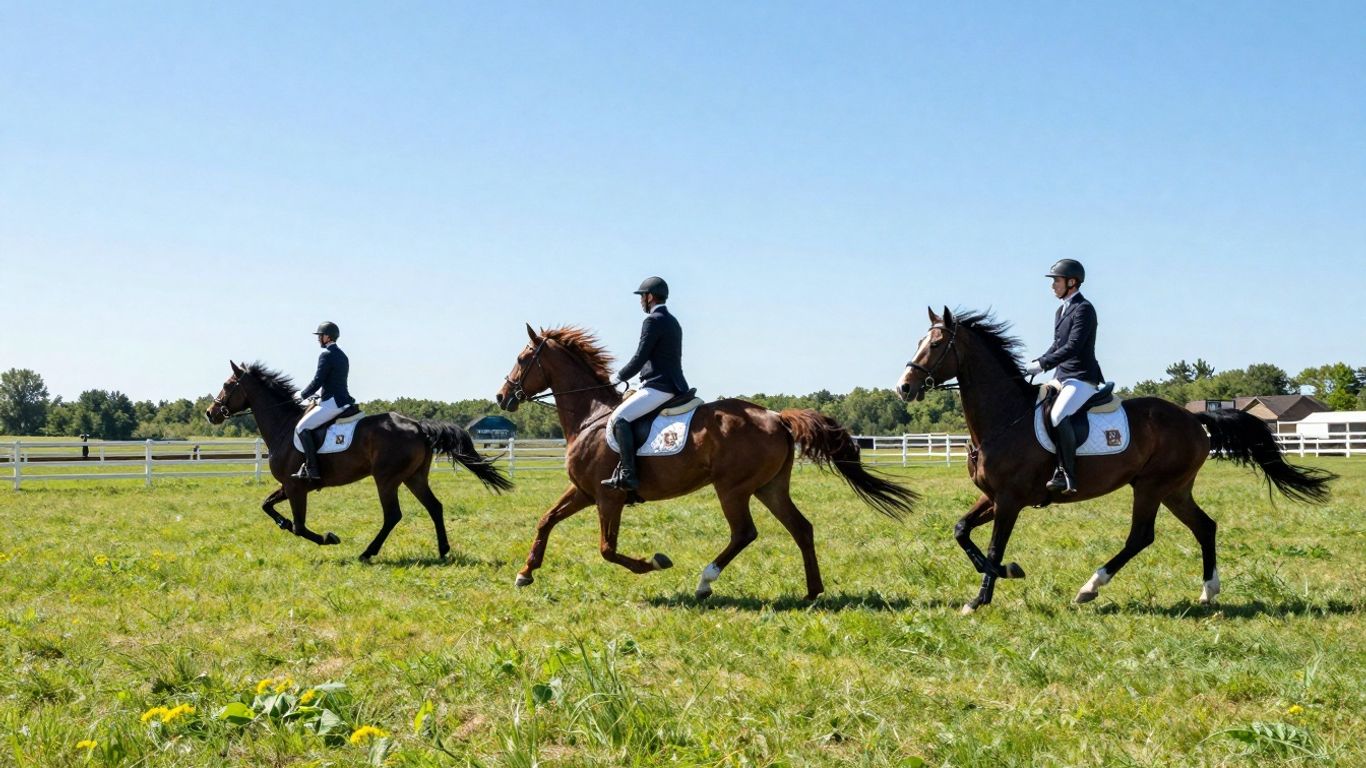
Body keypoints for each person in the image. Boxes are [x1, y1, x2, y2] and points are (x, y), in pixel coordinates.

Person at [603, 277, 689, 492]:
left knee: (620, 418)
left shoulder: (653, 320)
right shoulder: (672, 320)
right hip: (671, 384)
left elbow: (641, 356)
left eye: (642, 296)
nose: (641, 300)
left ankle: (629, 475)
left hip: (659, 387)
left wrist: (618, 377)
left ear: (650, 297)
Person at [1025, 260, 1104, 495]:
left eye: (1056, 281)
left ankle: (1067, 474)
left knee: (1059, 415)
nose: (1053, 286)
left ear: (1072, 282)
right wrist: (1035, 363)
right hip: (1062, 376)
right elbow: (1057, 344)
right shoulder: (1061, 310)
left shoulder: (1084, 308)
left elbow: (1073, 346)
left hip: (1081, 378)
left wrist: (1043, 364)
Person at [293, 321, 355, 480]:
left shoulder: (326, 355)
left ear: (327, 337)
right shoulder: (342, 355)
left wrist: (301, 395)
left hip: (332, 403)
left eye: (320, 335)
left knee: (301, 427)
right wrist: (320, 396)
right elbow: (333, 382)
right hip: (343, 400)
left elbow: (318, 381)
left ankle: (312, 468)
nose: (318, 339)